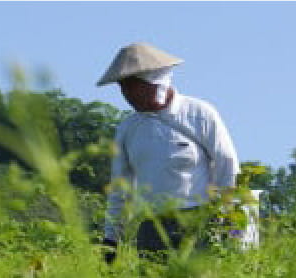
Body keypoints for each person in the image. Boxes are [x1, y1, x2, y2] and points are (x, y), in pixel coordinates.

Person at [96, 42, 241, 263]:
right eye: (122, 88)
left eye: (133, 87)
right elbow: (120, 188)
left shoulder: (199, 114)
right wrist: (111, 238)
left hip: (197, 222)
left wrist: (225, 217)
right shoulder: (128, 129)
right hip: (151, 229)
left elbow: (227, 165)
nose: (127, 95)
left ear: (155, 83)